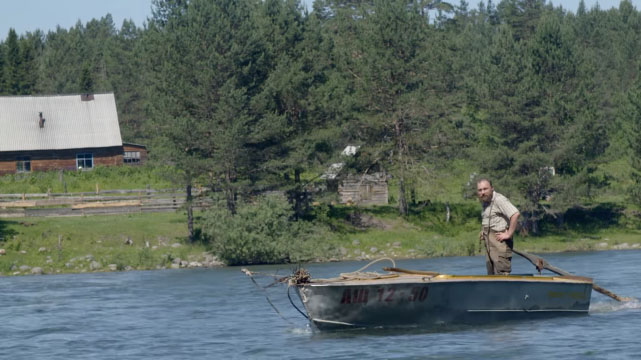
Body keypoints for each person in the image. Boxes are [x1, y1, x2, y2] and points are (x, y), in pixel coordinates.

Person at [477, 179, 520, 275]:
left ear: (492, 188)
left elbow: (515, 214)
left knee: (501, 275)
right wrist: (483, 232)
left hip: (500, 247)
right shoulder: (485, 202)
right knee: (491, 276)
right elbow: (492, 219)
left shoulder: (499, 199)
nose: (482, 192)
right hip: (490, 247)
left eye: (485, 189)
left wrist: (509, 234)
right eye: (480, 190)